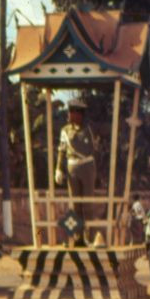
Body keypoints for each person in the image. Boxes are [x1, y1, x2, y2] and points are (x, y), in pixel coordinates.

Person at [55, 98, 98, 246]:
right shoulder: (65, 130)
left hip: (87, 167)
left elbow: (93, 148)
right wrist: (58, 168)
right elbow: (61, 150)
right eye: (69, 111)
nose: (69, 114)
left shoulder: (89, 129)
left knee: (88, 205)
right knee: (74, 206)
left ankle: (90, 237)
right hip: (72, 167)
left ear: (79, 114)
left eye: (72, 112)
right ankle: (75, 237)